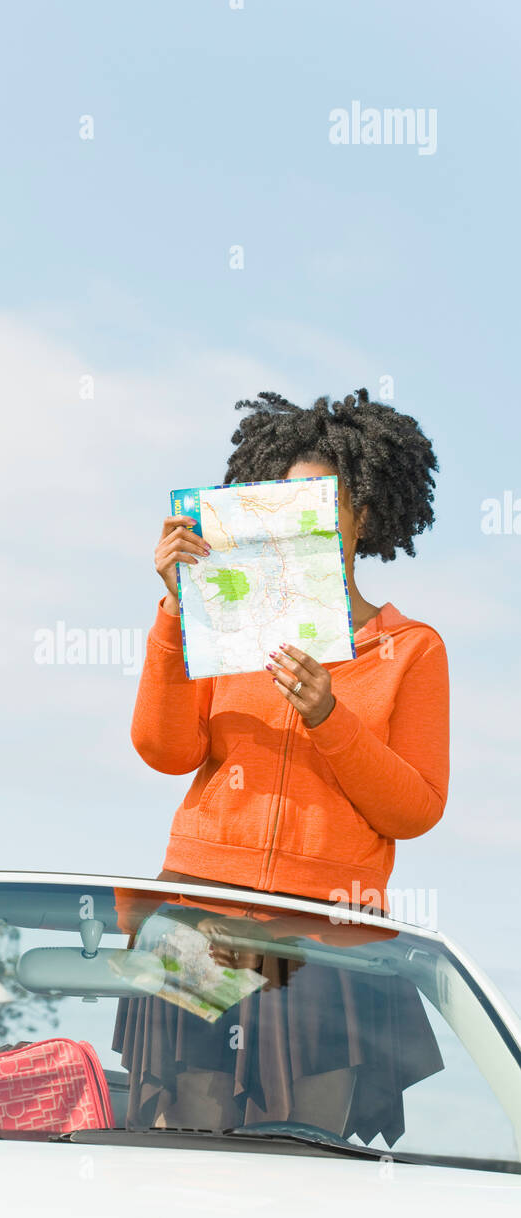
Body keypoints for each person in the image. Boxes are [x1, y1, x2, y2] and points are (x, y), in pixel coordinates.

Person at [112, 388, 449, 1140]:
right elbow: (164, 752)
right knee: (187, 1132)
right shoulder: (218, 617)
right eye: (288, 501)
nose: (307, 519)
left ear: (366, 517)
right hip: (194, 917)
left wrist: (333, 719)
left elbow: (415, 809)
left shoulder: (413, 649)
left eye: (327, 505)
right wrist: (174, 612)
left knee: (310, 1146)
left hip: (328, 930)